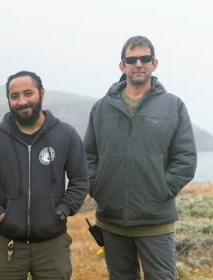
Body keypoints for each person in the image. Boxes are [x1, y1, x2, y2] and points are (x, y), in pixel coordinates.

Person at [84, 35, 197, 280]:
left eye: (144, 58)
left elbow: (185, 158)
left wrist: (162, 190)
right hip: (112, 221)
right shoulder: (101, 108)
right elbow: (88, 157)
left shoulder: (173, 105)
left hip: (155, 221)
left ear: (154, 63)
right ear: (121, 65)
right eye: (131, 59)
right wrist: (98, 188)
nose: (138, 64)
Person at [0, 71, 88, 279]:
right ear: (8, 99)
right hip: (6, 243)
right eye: (14, 96)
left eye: (28, 93)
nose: (22, 101)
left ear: (41, 93)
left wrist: (62, 210)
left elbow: (80, 180)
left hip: (52, 244)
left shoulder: (66, 135)